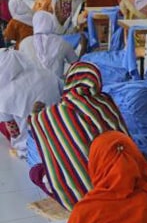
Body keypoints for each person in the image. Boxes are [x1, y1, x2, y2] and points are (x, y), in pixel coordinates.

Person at [28, 62, 129, 210]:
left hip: (85, 196)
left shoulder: (55, 113)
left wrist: (35, 114)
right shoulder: (106, 103)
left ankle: (73, 193)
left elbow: (36, 123)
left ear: (69, 81)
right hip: (124, 182)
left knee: (36, 172)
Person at [0, 48, 61, 158]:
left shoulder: (4, 94)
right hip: (60, 128)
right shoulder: (47, 73)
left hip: (33, 143)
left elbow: (14, 132)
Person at [19, 11, 78, 78]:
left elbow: (21, 66)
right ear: (51, 24)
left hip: (31, 83)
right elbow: (75, 64)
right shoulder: (62, 42)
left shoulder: (24, 43)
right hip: (56, 83)